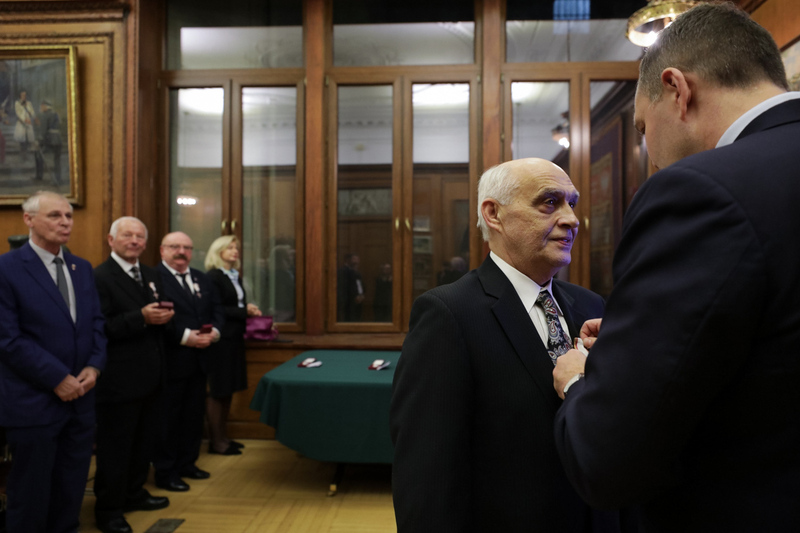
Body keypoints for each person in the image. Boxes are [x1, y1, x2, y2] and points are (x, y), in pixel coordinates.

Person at [552, 4, 800, 531]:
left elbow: (608, 458)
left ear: (677, 91)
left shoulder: (700, 192)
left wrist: (579, 383)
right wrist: (634, 345)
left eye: (641, 127)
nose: (651, 155)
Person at [391, 158, 617, 532]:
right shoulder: (448, 314)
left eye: (572, 204)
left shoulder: (592, 306)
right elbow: (426, 473)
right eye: (549, 202)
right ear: (493, 214)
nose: (571, 219)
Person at [0, 191, 106, 533]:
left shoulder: (82, 267)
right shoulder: (6, 269)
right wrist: (57, 378)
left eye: (69, 216)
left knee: (71, 487)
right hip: (34, 401)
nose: (65, 222)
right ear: (29, 220)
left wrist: (94, 366)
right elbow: (8, 339)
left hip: (81, 400)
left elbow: (95, 325)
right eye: (55, 216)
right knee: (30, 492)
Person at [93, 217, 173, 533]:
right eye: (127, 235)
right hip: (118, 379)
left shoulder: (151, 274)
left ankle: (134, 493)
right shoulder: (100, 277)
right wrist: (140, 318)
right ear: (111, 240)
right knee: (116, 449)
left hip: (152, 376)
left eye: (140, 236)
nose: (135, 241)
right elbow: (100, 327)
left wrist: (163, 317)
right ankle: (109, 510)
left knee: (143, 443)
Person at [153, 231, 224, 492]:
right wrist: (186, 338)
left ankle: (187, 464)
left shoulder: (201, 278)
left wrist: (213, 333)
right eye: (174, 246)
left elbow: (216, 310)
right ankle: (166, 471)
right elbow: (158, 320)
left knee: (193, 416)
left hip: (201, 359)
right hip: (171, 361)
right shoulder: (154, 279)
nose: (181, 251)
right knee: (169, 419)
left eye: (187, 247)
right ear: (162, 250)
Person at [204, 235, 261, 455]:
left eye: (236, 247)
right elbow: (216, 309)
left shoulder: (234, 275)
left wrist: (248, 308)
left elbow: (232, 304)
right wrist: (243, 311)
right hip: (220, 339)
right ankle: (216, 441)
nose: (235, 251)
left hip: (235, 337)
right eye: (230, 248)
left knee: (228, 389)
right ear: (218, 252)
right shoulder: (214, 276)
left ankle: (224, 437)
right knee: (218, 390)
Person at [38, 99, 63, 185]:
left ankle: (39, 176)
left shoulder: (45, 115)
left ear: (45, 106)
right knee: (57, 160)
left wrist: (40, 140)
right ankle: (58, 179)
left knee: (38, 154)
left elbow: (44, 130)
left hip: (50, 139)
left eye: (42, 106)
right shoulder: (56, 114)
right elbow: (60, 125)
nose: (41, 108)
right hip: (58, 139)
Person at [336, 252, 364, 321]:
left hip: (358, 301)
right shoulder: (343, 271)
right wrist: (354, 296)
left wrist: (361, 295)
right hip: (348, 302)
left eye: (358, 259)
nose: (356, 261)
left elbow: (359, 284)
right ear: (348, 260)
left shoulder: (357, 272)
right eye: (354, 259)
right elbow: (344, 287)